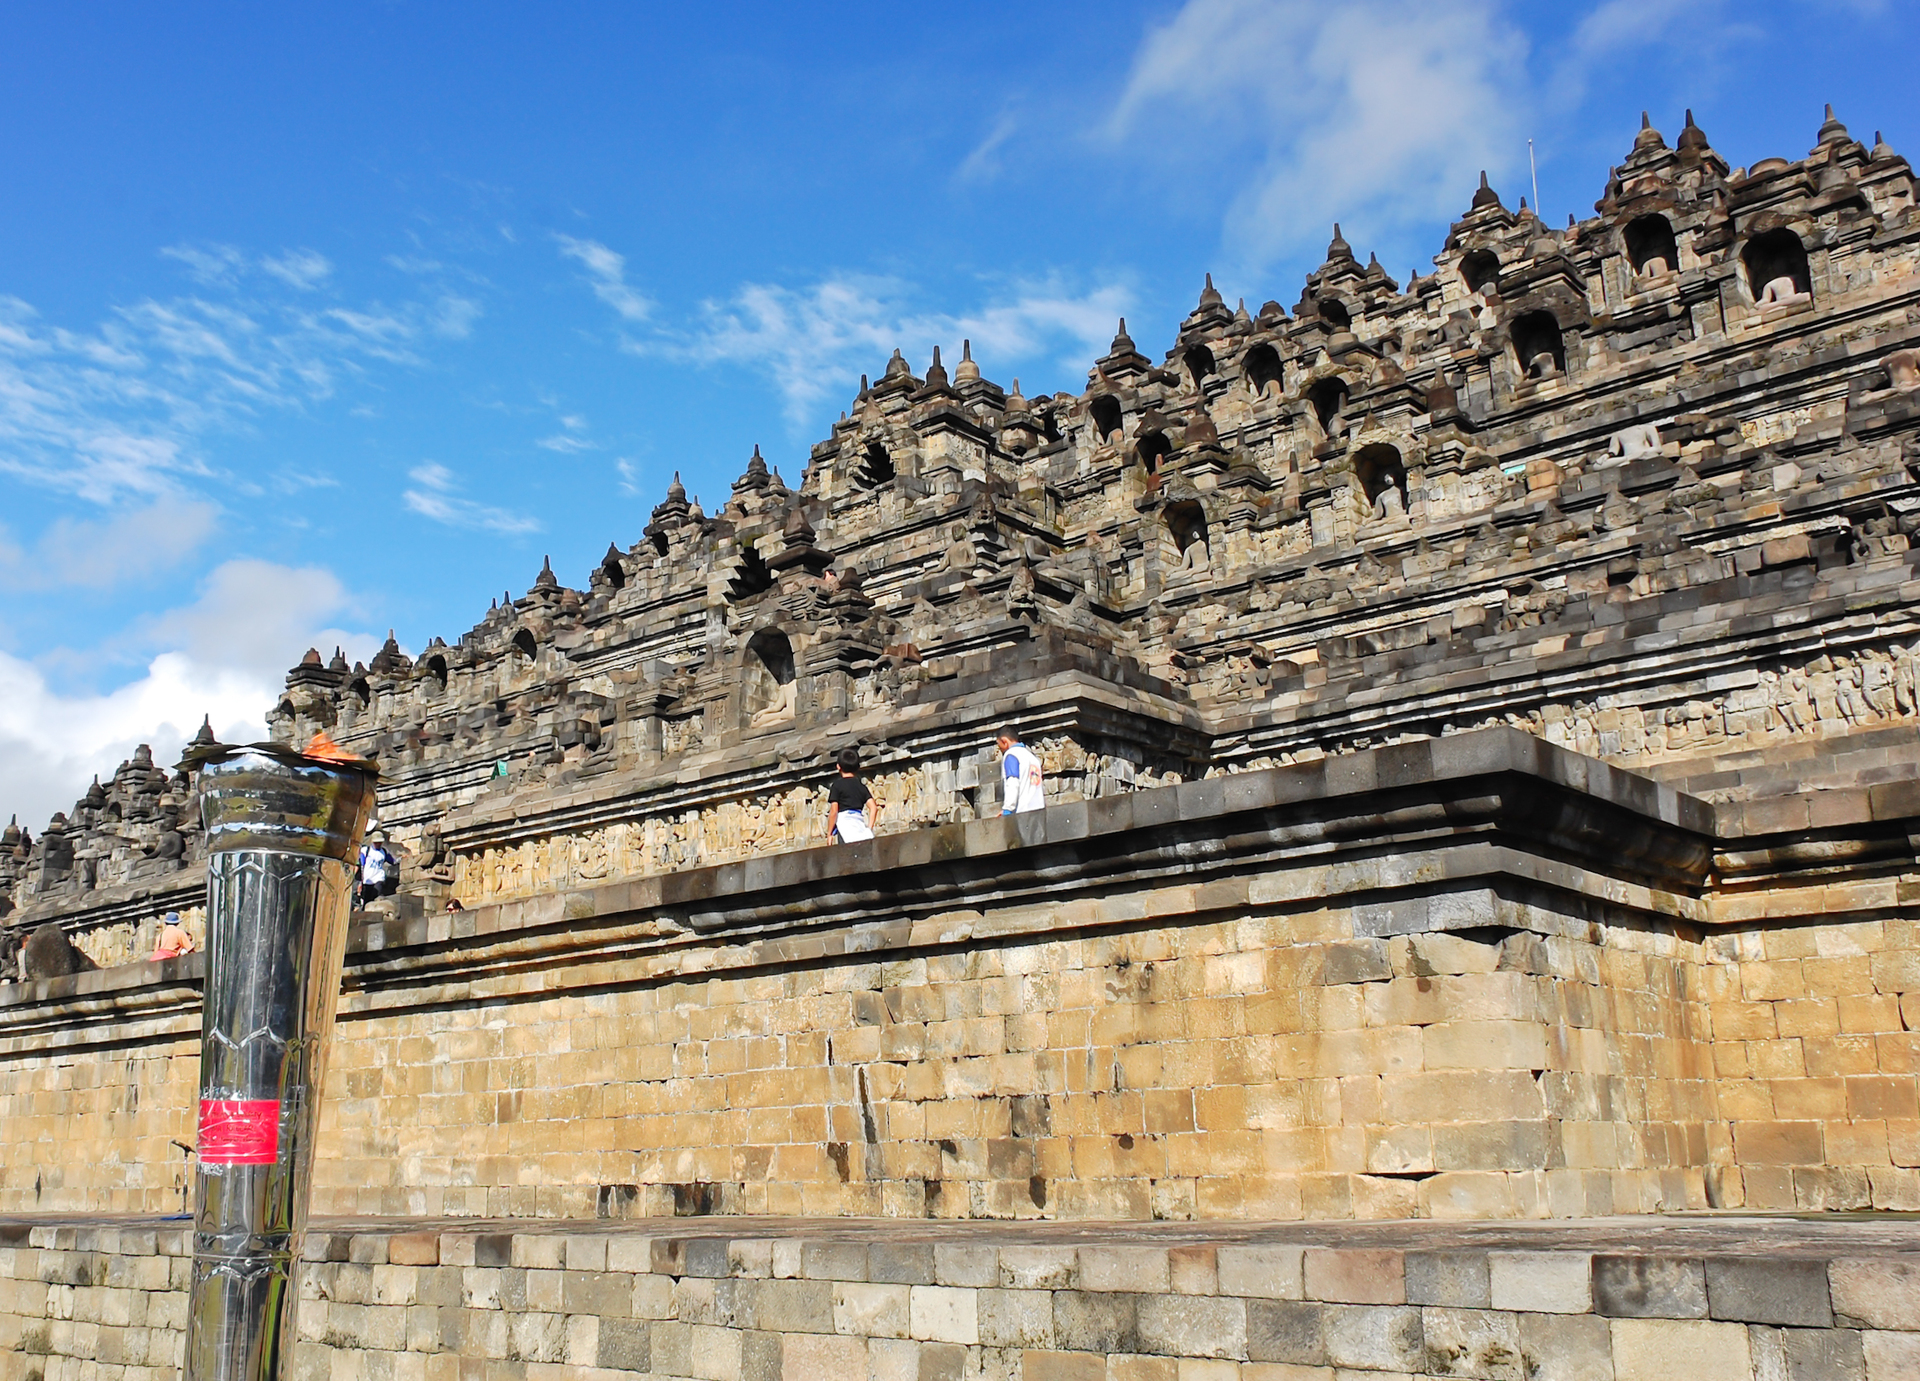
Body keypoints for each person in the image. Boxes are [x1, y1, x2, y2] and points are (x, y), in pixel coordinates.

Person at [825, 747, 874, 843]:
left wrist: (829, 833)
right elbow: (873, 807)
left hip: (844, 825)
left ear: (838, 766)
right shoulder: (861, 786)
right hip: (859, 824)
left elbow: (834, 811)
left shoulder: (837, 786)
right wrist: (869, 828)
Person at [996, 726, 1045, 814]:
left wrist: (1007, 809)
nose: (1000, 749)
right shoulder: (1032, 757)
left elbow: (1012, 782)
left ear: (1004, 741)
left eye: (999, 745)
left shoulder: (1011, 755)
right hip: (1039, 811)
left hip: (1022, 813)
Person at [357, 837, 397, 908]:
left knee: (377, 896)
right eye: (376, 842)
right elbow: (362, 865)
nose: (378, 844)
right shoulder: (366, 850)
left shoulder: (383, 851)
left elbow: (392, 861)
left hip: (379, 877)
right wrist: (360, 882)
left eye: (379, 842)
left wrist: (401, 859)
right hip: (368, 879)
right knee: (367, 900)